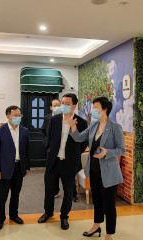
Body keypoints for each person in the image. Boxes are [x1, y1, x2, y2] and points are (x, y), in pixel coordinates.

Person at [66, 97, 125, 240]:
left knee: (109, 205)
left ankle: (109, 233)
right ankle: (96, 225)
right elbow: (79, 138)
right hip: (93, 170)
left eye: (96, 107)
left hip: (109, 172)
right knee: (97, 201)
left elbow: (121, 149)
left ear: (104, 109)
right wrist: (73, 127)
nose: (93, 110)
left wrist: (107, 152)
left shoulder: (115, 127)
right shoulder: (93, 126)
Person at [38, 93, 88, 230]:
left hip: (69, 163)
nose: (64, 106)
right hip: (53, 161)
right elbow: (48, 137)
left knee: (68, 191)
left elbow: (83, 143)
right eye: (62, 103)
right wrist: (49, 150)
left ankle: (64, 217)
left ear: (74, 105)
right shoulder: (54, 120)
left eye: (67, 103)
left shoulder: (82, 122)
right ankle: (48, 212)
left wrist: (75, 155)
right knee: (49, 189)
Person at [0, 105, 30, 230]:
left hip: (19, 167)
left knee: (16, 194)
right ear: (8, 116)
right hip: (4, 168)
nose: (18, 118)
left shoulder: (24, 131)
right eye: (15, 115)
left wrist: (27, 166)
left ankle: (14, 215)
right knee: (2, 195)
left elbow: (27, 150)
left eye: (19, 115)